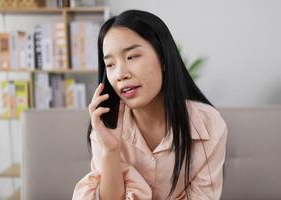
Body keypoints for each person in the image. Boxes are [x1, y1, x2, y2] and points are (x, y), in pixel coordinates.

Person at [72, 9, 228, 200]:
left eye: (131, 57)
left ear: (163, 58)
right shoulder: (105, 126)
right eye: (110, 64)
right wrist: (110, 151)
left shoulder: (208, 125)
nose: (120, 74)